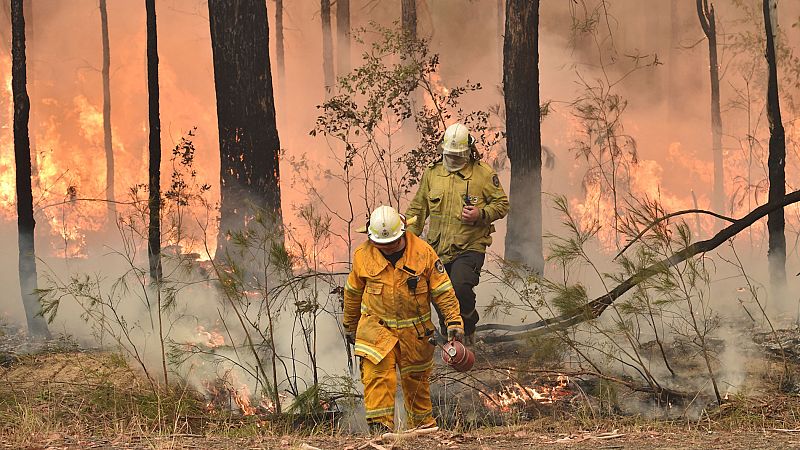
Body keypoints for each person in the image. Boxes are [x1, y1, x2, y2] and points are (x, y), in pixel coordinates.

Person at [343, 205, 464, 434]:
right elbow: (352, 294)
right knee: (377, 378)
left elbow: (443, 291)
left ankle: (422, 432)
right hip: (376, 330)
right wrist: (350, 325)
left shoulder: (423, 253)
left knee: (416, 384)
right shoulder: (362, 256)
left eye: (393, 243)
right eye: (382, 245)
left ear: (404, 232)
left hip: (416, 334)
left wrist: (454, 322)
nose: (388, 249)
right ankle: (381, 433)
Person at [405, 122, 509, 342]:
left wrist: (480, 214)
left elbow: (502, 205)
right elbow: (418, 209)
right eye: (449, 155)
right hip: (437, 248)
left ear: (469, 152)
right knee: (438, 293)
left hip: (469, 246)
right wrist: (409, 242)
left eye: (457, 156)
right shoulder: (432, 174)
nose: (452, 160)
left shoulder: (483, 174)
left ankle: (468, 327)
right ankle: (451, 340)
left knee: (460, 287)